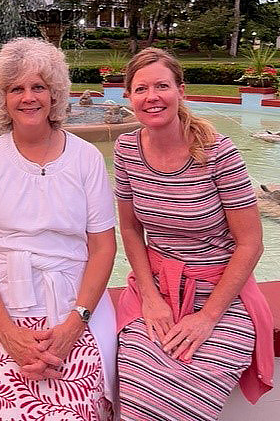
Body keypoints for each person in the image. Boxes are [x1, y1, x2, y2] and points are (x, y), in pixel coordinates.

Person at [0, 37, 118, 420]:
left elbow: (103, 249)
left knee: (78, 407)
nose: (29, 97)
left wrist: (75, 325)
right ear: (2, 98)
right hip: (1, 305)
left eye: (38, 86)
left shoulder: (86, 158)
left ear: (55, 94)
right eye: (16, 88)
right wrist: (7, 334)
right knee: (1, 408)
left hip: (75, 304)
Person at [113, 48, 274, 421]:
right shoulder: (126, 150)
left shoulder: (218, 152)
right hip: (157, 292)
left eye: (161, 86)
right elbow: (131, 228)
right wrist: (151, 298)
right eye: (141, 89)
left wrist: (208, 317)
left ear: (180, 91)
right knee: (139, 381)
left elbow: (251, 243)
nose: (152, 97)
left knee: (193, 389)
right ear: (129, 98)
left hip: (222, 296)